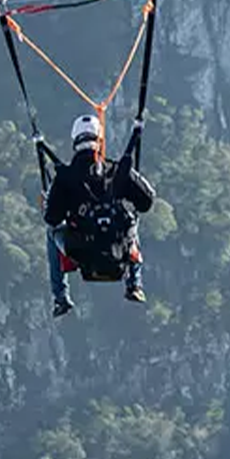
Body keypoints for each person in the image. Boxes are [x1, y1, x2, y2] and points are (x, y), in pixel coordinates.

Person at [44, 113, 156, 316]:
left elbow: (51, 218)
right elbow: (147, 202)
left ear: (75, 141)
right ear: (100, 141)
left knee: (52, 232)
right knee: (130, 218)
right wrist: (132, 179)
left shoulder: (64, 178)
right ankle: (135, 283)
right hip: (118, 250)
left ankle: (60, 297)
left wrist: (53, 199)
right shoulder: (117, 171)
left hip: (83, 253)